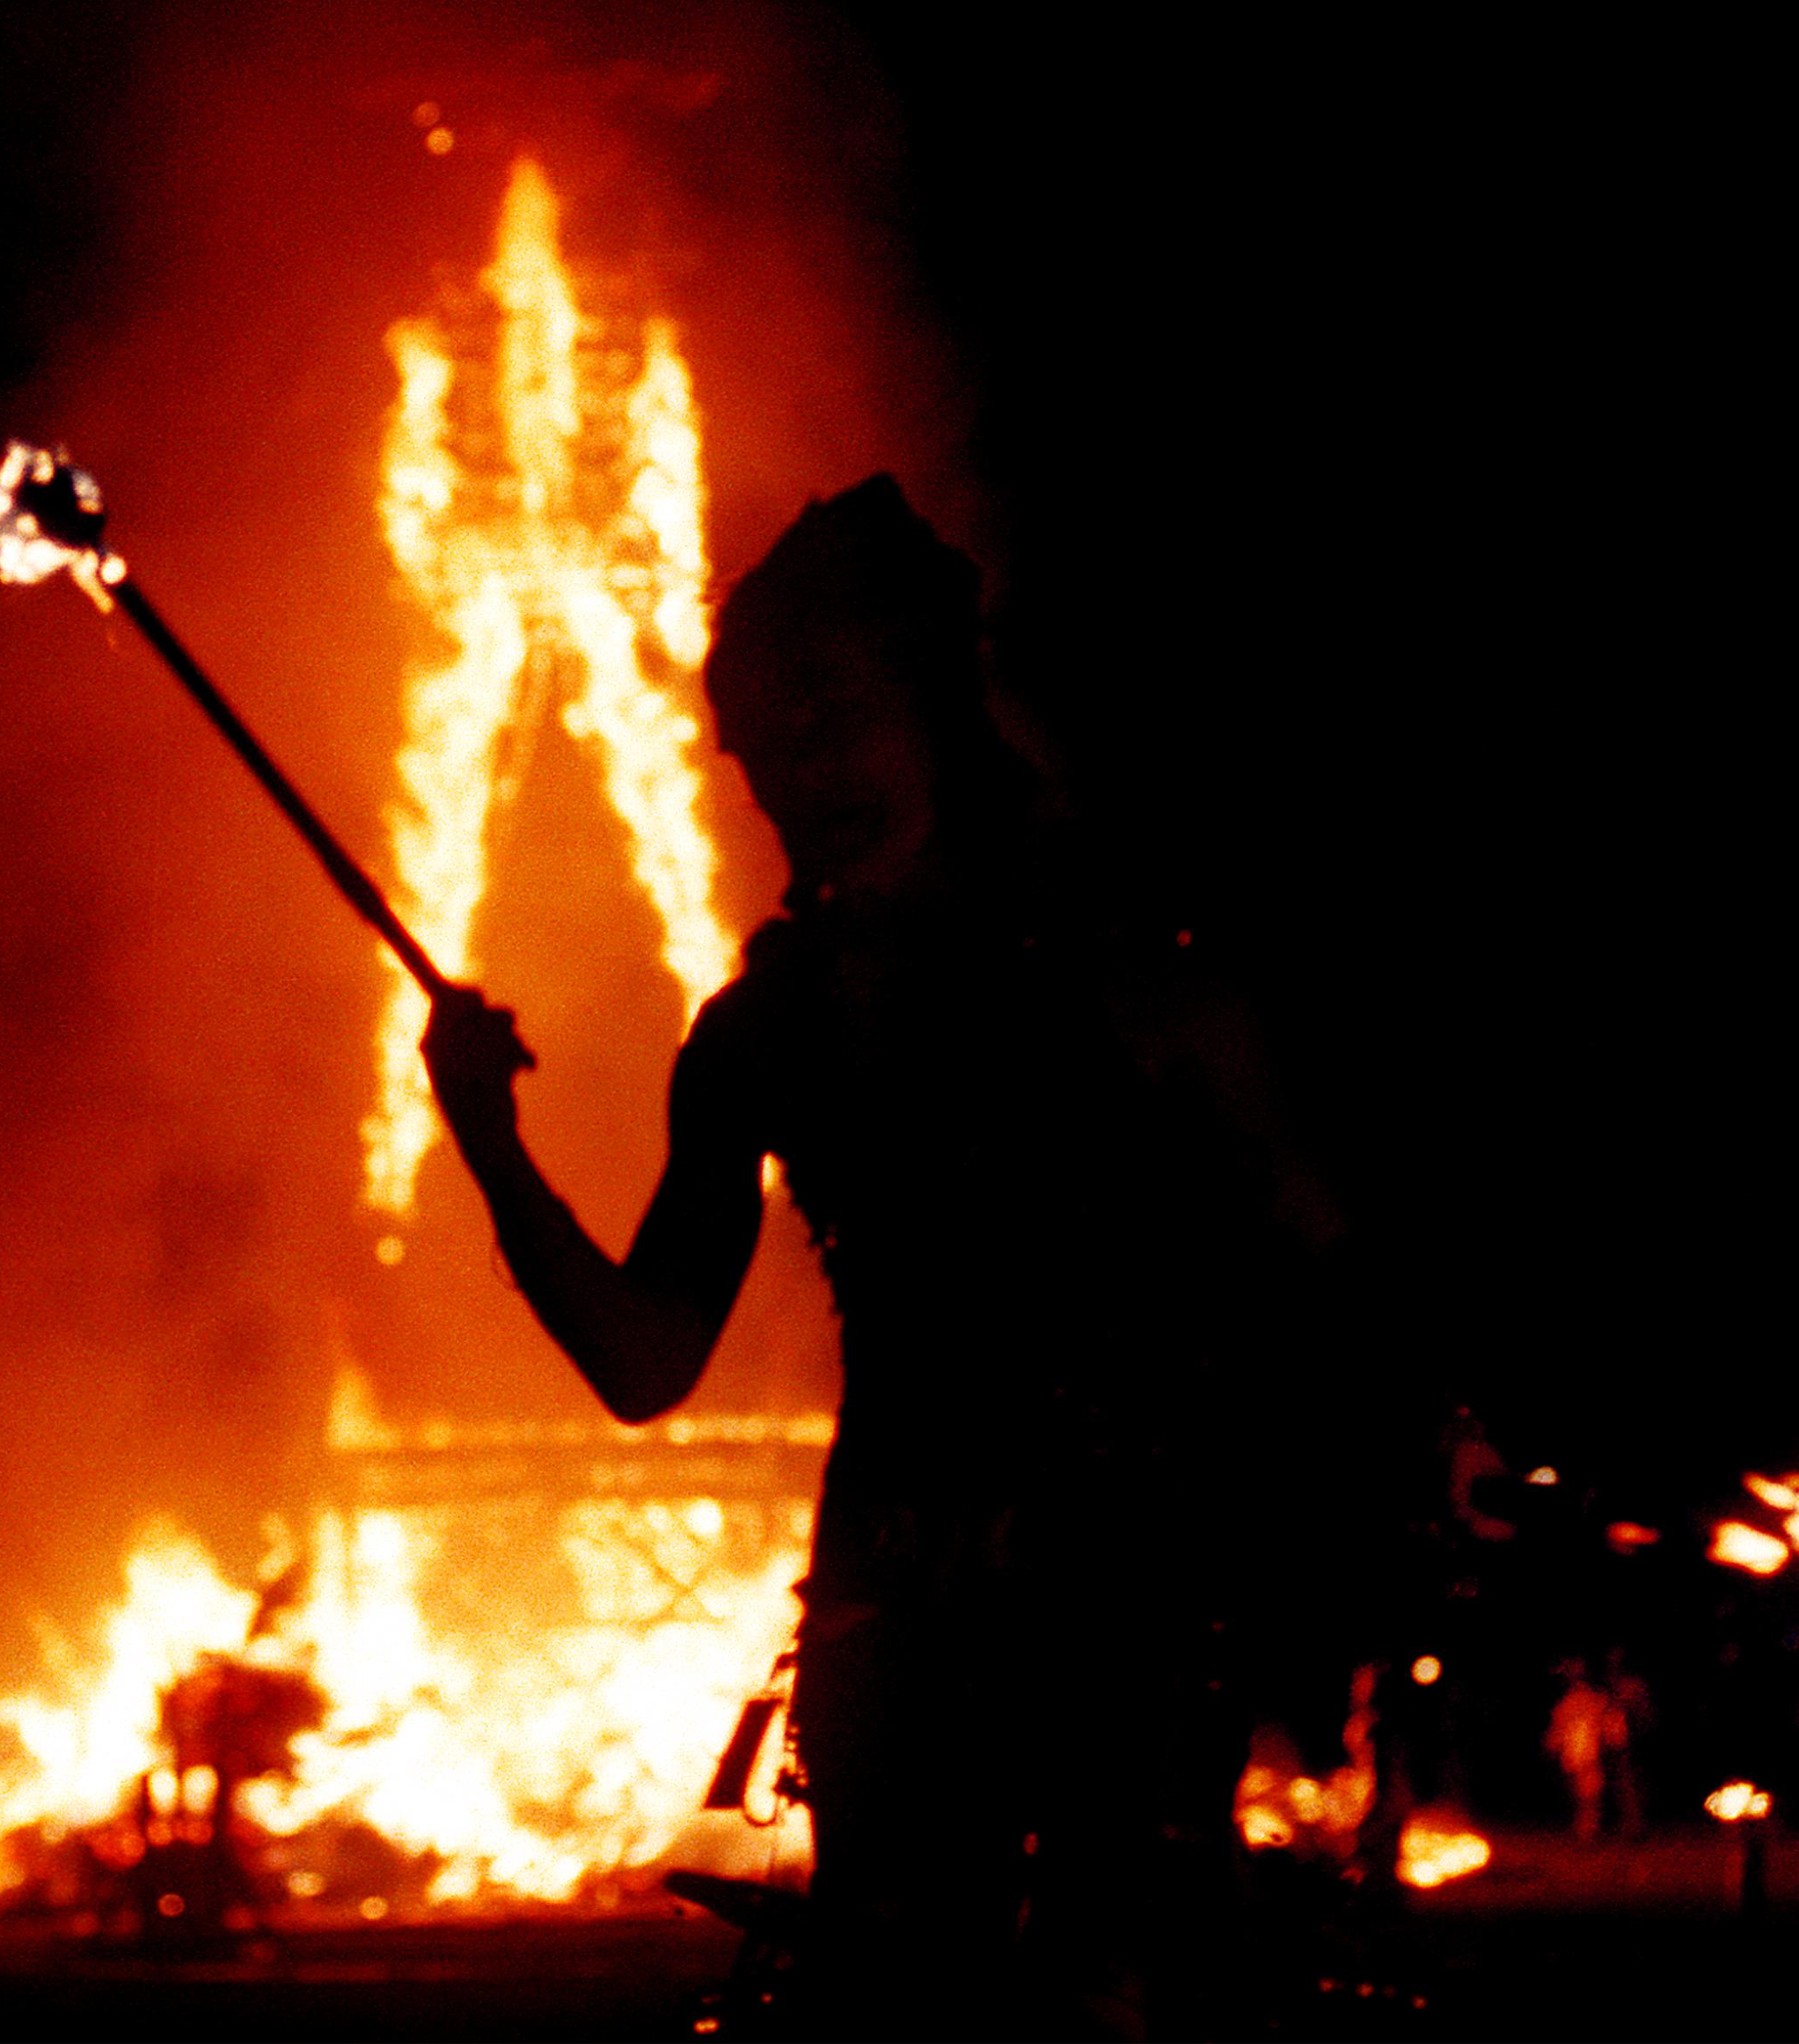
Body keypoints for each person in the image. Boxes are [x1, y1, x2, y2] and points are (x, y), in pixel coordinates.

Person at [422, 477, 1354, 2035]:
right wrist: (489, 1144)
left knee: (1117, 1994)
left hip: (1131, 1590)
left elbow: (1330, 1272)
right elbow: (648, 1362)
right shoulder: (763, 1034)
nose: (809, 772)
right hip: (895, 1605)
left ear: (932, 704)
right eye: (772, 744)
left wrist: (1324, 1505)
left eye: (839, 718)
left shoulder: (1134, 979)